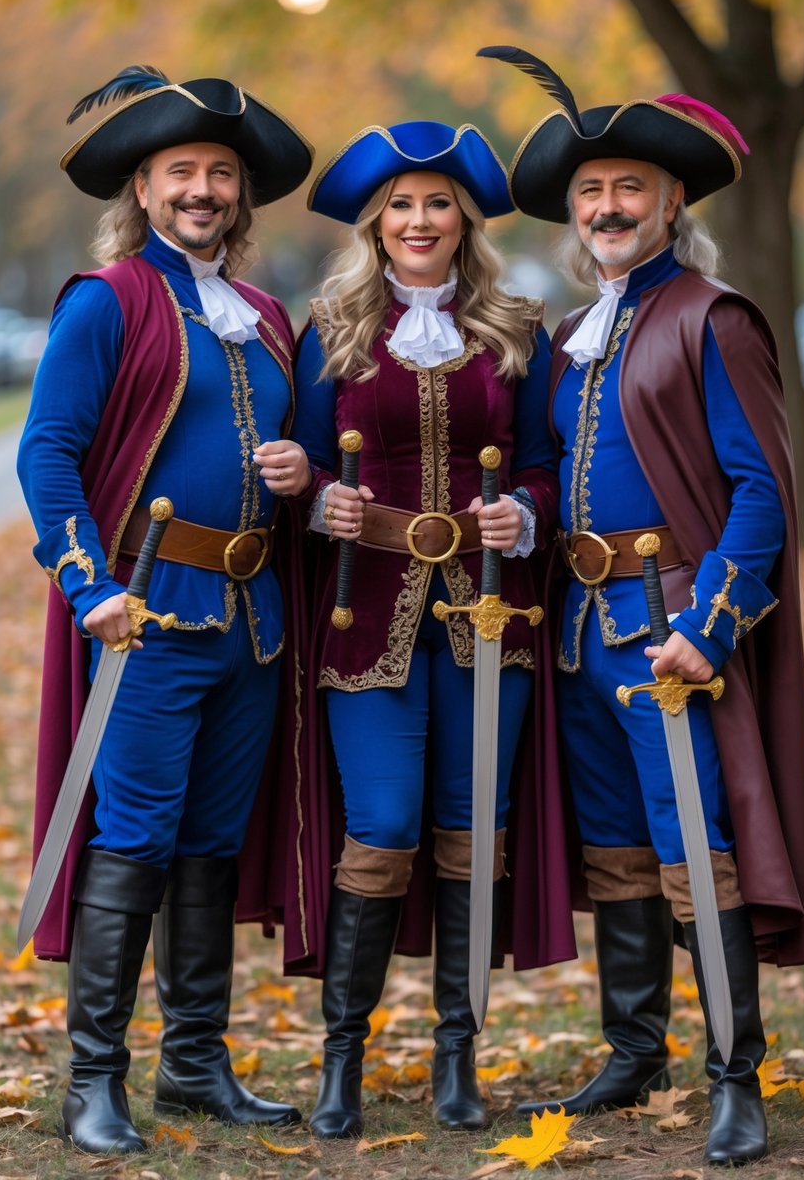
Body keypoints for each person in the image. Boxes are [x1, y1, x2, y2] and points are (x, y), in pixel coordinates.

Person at [477, 46, 804, 1166]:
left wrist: (708, 624)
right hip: (579, 629)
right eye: (590, 193)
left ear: (671, 201)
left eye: (629, 188)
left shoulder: (710, 316)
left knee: (697, 851)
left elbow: (762, 494)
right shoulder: (578, 338)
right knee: (621, 851)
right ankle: (636, 1049)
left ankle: (736, 1071)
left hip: (670, 627)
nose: (607, 206)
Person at [16, 65, 315, 1155]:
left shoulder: (268, 316)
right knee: (133, 841)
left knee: (207, 846)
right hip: (146, 613)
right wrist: (87, 583)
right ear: (141, 189)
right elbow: (47, 450)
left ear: (241, 195)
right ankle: (92, 1079)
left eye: (220, 174)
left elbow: (289, 445)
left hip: (252, 618)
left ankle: (195, 1065)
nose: (201, 189)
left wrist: (297, 469)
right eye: (180, 171)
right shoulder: (110, 301)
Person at [264, 120, 576, 1137]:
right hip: (368, 618)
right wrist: (320, 500)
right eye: (399, 205)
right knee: (384, 821)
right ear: (375, 223)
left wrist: (520, 510)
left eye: (436, 203)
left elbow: (538, 461)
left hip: (492, 620)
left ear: (465, 220)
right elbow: (301, 460)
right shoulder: (333, 326)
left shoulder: (519, 327)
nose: (418, 220)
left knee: (470, 833)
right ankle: (341, 1059)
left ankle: (456, 1057)